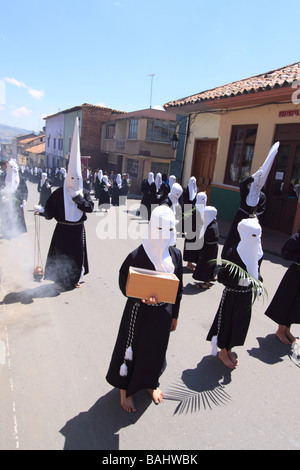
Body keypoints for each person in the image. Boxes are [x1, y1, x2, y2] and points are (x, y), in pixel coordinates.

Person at [106, 205, 183, 412]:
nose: (164, 235)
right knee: (132, 349)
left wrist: (174, 314)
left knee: (155, 349)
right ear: (151, 228)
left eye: (169, 230)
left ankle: (150, 382)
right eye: (160, 229)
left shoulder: (175, 255)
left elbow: (179, 287)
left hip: (163, 314)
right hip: (138, 314)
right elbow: (125, 282)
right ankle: (125, 389)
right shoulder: (137, 255)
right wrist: (141, 296)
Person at [34, 117, 94, 290]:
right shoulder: (60, 192)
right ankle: (60, 281)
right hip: (62, 229)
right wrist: (41, 210)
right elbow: (50, 211)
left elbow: (89, 208)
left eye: (77, 178)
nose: (74, 181)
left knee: (76, 256)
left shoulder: (84, 192)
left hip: (77, 230)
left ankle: (74, 279)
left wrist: (77, 198)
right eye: (71, 178)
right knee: (61, 256)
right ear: (67, 178)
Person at [207, 217, 263, 369]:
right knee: (228, 322)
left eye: (258, 235)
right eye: (253, 235)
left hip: (246, 296)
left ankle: (230, 348)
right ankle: (223, 351)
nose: (256, 239)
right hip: (232, 296)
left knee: (240, 323)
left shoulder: (256, 252)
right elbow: (222, 276)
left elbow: (257, 271)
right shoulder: (233, 252)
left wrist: (258, 283)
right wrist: (239, 280)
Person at [222, 142, 279, 257]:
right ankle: (227, 256)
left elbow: (261, 210)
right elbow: (242, 184)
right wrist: (253, 177)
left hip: (251, 222)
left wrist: (255, 217)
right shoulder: (247, 191)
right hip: (240, 218)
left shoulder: (262, 196)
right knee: (233, 238)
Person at [264, 229, 300, 344]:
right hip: (294, 275)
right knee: (287, 300)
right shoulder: (297, 237)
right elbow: (285, 252)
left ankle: (287, 330)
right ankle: (280, 330)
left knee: (296, 304)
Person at [0, 159, 28, 239]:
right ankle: (6, 232)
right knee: (7, 217)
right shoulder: (2, 177)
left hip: (17, 202)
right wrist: (2, 197)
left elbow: (24, 190)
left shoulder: (20, 178)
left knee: (17, 217)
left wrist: (24, 199)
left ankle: (17, 231)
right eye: (10, 167)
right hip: (6, 201)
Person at [193, 205, 219, 289]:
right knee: (211, 263)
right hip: (210, 248)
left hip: (208, 249)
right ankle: (212, 276)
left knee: (206, 265)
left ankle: (206, 283)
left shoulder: (211, 227)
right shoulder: (212, 222)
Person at [182, 179, 201, 271]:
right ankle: (188, 263)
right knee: (190, 240)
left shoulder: (197, 190)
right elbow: (185, 202)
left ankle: (192, 262)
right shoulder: (185, 190)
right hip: (189, 214)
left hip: (195, 218)